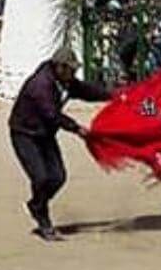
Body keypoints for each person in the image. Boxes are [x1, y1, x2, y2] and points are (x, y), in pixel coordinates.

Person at [8, 47, 111, 241]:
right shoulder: (40, 85)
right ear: (60, 67)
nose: (74, 73)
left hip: (45, 135)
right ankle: (43, 219)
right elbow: (52, 115)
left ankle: (36, 205)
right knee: (40, 178)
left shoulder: (65, 81)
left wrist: (113, 95)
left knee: (58, 177)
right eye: (71, 69)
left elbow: (87, 92)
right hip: (24, 135)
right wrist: (77, 129)